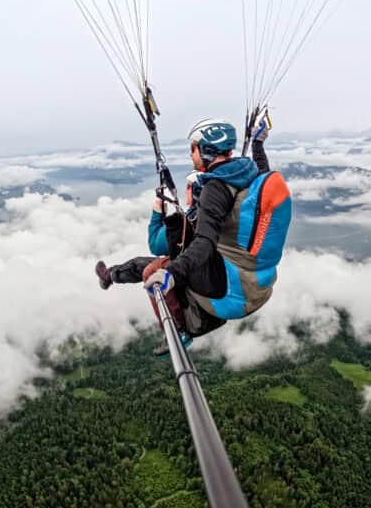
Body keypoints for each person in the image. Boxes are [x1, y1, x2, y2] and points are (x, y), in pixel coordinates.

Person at [97, 117, 290, 357]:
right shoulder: (246, 173)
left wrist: (172, 273)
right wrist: (258, 145)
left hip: (230, 291)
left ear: (207, 150)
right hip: (257, 285)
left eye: (194, 148)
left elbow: (205, 243)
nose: (191, 155)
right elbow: (263, 170)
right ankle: (111, 275)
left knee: (152, 271)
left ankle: (182, 330)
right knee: (147, 265)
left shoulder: (215, 189)